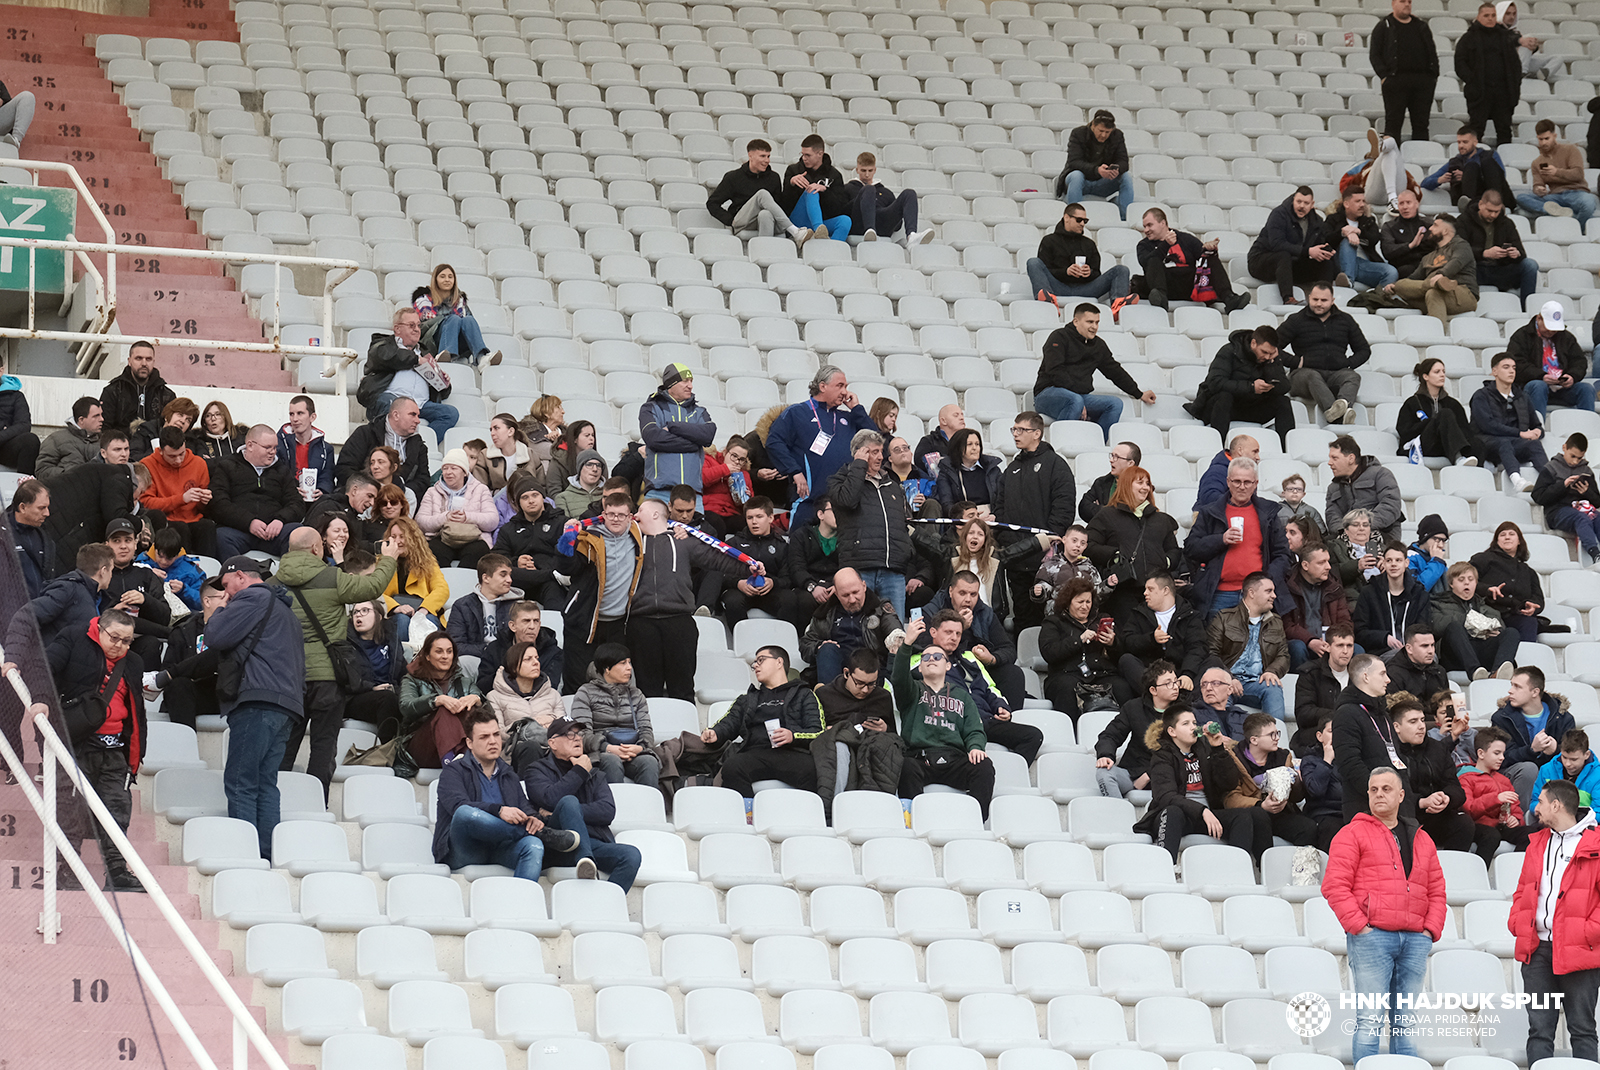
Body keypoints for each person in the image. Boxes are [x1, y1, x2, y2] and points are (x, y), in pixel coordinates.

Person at [1323, 766, 1447, 1061]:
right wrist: (1360, 927)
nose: (1379, 794)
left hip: (1415, 939)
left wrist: (1430, 930)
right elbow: (1334, 886)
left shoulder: (1420, 837)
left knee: (1405, 1023)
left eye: (1386, 789)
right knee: (1370, 1020)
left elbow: (1437, 889)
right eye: (1374, 790)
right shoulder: (1351, 833)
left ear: (1401, 795)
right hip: (1372, 938)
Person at [277, 525, 397, 795]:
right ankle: (317, 804)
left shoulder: (273, 583)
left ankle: (278, 802)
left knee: (284, 745)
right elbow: (374, 586)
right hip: (328, 679)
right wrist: (388, 558)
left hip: (288, 676)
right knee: (323, 746)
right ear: (316, 549)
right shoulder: (332, 577)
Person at [206, 557, 304, 858]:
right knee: (265, 784)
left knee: (241, 781)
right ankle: (266, 855)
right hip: (287, 706)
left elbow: (215, 636)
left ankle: (244, 857)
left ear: (239, 577)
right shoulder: (286, 611)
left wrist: (217, 610)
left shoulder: (251, 598)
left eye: (226, 586)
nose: (226, 594)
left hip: (258, 702)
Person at [46, 609, 147, 891]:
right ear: (100, 630)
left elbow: (136, 710)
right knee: (70, 810)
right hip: (77, 744)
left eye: (127, 641)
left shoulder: (133, 662)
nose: (120, 646)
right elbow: (44, 669)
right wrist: (41, 701)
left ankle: (117, 873)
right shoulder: (74, 640)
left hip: (116, 749)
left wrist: (136, 756)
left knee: (118, 811)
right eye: (114, 638)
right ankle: (67, 870)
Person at [626, 498, 761, 701]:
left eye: (641, 510)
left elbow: (716, 558)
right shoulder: (629, 542)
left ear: (655, 514)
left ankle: (685, 731)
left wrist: (748, 567)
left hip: (679, 621)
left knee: (682, 689)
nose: (635, 515)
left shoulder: (684, 541)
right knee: (647, 691)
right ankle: (650, 732)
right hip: (641, 622)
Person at [431, 709, 581, 882]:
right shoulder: (453, 771)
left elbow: (524, 806)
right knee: (465, 813)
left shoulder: (508, 773)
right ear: (470, 743)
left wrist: (532, 819)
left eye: (495, 735)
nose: (493, 741)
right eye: (484, 737)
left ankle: (522, 904)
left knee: (534, 846)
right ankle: (538, 834)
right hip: (466, 850)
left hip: (501, 847)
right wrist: (499, 810)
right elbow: (456, 806)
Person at [1510, 777, 1600, 1064]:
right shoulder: (1537, 843)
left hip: (1579, 949)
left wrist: (1588, 932)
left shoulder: (1596, 843)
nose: (1536, 807)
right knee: (1539, 1030)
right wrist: (1518, 922)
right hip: (1537, 950)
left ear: (1557, 805)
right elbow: (1523, 888)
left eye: (1541, 801)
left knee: (1582, 1029)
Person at [1134, 707, 1272, 860]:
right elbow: (1166, 796)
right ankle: (1166, 866)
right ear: (1172, 731)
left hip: (1207, 816)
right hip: (1178, 816)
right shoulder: (1162, 756)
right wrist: (1202, 811)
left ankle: (1237, 869)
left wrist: (1218, 749)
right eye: (1186, 724)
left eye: (1194, 722)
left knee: (1245, 816)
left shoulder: (1205, 749)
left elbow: (1229, 784)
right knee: (1173, 812)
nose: (1193, 727)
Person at [523, 716, 645, 889]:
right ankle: (585, 860)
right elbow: (549, 799)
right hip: (559, 846)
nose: (578, 738)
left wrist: (572, 812)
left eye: (579, 734)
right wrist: (579, 771)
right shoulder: (536, 770)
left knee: (632, 855)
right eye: (569, 735)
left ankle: (604, 907)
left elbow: (607, 811)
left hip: (595, 842)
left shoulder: (595, 774)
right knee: (568, 802)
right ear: (552, 743)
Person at [911, 610, 1043, 765]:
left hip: (985, 719)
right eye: (948, 632)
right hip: (952, 723)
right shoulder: (920, 660)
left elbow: (990, 687)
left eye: (958, 634)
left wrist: (1001, 706)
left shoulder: (969, 657)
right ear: (933, 632)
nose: (954, 638)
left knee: (1033, 736)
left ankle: (1009, 776)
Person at [891, 630, 995, 816]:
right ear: (920, 667)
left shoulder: (962, 695)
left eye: (937, 656)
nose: (931, 659)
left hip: (955, 759)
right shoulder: (912, 690)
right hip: (920, 759)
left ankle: (976, 819)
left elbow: (974, 730)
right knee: (905, 766)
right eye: (926, 657)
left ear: (947, 666)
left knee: (984, 766)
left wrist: (976, 747)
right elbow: (898, 678)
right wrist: (907, 644)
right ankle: (913, 819)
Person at [701, 645, 822, 796]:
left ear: (779, 662)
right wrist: (715, 733)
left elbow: (818, 732)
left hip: (793, 754)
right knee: (732, 766)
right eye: (754, 663)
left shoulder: (804, 694)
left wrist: (793, 736)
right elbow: (729, 722)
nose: (755, 665)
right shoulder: (746, 699)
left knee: (814, 770)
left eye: (761, 660)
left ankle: (807, 816)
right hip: (755, 753)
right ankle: (748, 816)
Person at [765, 365, 873, 531]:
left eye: (846, 386)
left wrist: (857, 409)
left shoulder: (848, 417)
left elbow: (877, 442)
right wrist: (794, 471)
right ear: (822, 386)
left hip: (843, 505)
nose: (845, 392)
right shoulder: (797, 412)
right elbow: (774, 442)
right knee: (801, 553)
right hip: (808, 502)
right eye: (840, 385)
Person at [994, 412, 1076, 629]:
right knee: (1023, 617)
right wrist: (1007, 541)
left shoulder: (1055, 464)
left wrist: (1047, 539)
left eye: (1021, 430)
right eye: (1014, 429)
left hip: (1045, 558)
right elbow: (1000, 507)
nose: (1016, 434)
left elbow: (1064, 505)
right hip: (1016, 558)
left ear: (1037, 433)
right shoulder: (1011, 468)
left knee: (1050, 618)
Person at [1185, 457, 1290, 618]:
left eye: (1247, 482)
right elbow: (1191, 548)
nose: (1242, 487)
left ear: (1255, 483)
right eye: (1236, 481)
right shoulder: (1209, 512)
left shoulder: (1268, 513)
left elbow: (1282, 554)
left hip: (1257, 594)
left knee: (1256, 643)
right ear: (1228, 482)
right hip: (1219, 594)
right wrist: (1221, 539)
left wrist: (1267, 580)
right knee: (1218, 643)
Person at [1033, 304, 1155, 438]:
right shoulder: (1058, 337)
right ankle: (1064, 441)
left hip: (1079, 397)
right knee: (1075, 400)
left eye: (1097, 322)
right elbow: (1055, 370)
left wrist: (1138, 393)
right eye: (1090, 322)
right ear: (1076, 321)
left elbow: (1114, 371)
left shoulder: (1098, 345)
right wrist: (1077, 398)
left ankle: (1095, 443)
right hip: (1047, 393)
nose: (1094, 327)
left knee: (1115, 404)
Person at [1084, 465, 1181, 621]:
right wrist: (1114, 556)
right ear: (1126, 484)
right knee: (1126, 639)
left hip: (1155, 593)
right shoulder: (1107, 515)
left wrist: (1166, 562)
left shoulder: (1161, 519)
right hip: (1122, 592)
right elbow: (1088, 545)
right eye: (1140, 483)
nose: (1145, 488)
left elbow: (1174, 550)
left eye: (1148, 484)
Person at [1391, 692, 1480, 854]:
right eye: (1413, 722)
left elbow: (1456, 789)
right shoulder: (1389, 752)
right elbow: (1390, 794)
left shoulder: (1437, 748)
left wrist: (1447, 798)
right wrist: (1422, 802)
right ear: (1396, 727)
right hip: (1405, 816)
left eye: (1422, 720)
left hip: (1437, 814)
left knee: (1464, 824)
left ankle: (1452, 874)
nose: (1421, 726)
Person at [1216, 711, 1317, 846]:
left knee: (1309, 827)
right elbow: (1231, 798)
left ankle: (1298, 865)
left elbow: (1296, 798)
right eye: (1271, 735)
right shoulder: (1234, 758)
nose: (1277, 738)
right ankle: (1262, 864)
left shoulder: (1283, 756)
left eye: (1277, 733)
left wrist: (1297, 782)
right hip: (1250, 813)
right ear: (1254, 740)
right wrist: (1260, 805)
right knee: (1260, 817)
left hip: (1281, 812)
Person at [354, 309, 458, 439]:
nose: (416, 329)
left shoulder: (425, 352)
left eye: (419, 325)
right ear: (397, 329)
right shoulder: (382, 345)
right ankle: (390, 447)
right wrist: (415, 359)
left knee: (450, 414)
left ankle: (421, 444)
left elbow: (442, 393)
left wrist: (444, 383)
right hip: (391, 399)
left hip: (421, 404)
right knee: (389, 405)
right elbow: (386, 356)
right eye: (411, 325)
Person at [1278, 283, 1371, 425]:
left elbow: (1364, 350)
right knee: (1312, 376)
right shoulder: (1296, 320)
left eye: (1324, 300)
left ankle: (1343, 406)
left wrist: (1348, 363)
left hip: (1335, 374)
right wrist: (1295, 362)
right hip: (1302, 375)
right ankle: (1337, 415)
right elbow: (1272, 347)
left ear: (1332, 300)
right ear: (1309, 298)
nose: (1318, 304)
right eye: (1315, 300)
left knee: (1352, 376)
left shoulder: (1345, 320)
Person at [208, 424, 305, 558]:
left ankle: (287, 576)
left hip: (275, 532)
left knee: (298, 533)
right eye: (267, 447)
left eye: (275, 447)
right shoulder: (227, 466)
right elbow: (218, 502)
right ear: (250, 445)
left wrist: (280, 520)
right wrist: (249, 522)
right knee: (220, 537)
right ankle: (239, 576)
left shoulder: (281, 471)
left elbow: (297, 503)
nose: (273, 452)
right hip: (238, 531)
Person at [1187, 327, 1294, 449]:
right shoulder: (1229, 351)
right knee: (1224, 397)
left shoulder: (1270, 359)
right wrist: (1251, 387)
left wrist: (1272, 364)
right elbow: (1215, 382)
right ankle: (1217, 447)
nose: (1267, 356)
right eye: (1264, 352)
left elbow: (1285, 387)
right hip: (1219, 407)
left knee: (1283, 401)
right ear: (1253, 343)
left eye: (1271, 353)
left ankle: (1287, 449)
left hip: (1249, 407)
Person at [569, 643, 658, 789]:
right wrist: (608, 747)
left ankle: (648, 809)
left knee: (649, 762)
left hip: (632, 750)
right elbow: (581, 733)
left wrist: (640, 748)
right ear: (607, 668)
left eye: (629, 662)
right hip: (600, 753)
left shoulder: (636, 694)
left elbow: (646, 729)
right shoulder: (585, 692)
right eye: (623, 663)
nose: (629, 667)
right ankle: (612, 809)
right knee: (611, 761)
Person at [1333, 653, 1411, 819]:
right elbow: (1349, 764)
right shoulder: (1346, 713)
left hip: (1396, 806)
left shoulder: (1382, 713)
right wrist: (1379, 793)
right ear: (1366, 677)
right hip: (1366, 807)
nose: (1388, 680)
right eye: (1382, 674)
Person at [1039, 577, 1126, 723]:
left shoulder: (1102, 619)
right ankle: (1069, 733)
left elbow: (1121, 654)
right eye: (1080, 602)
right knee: (1067, 688)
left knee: (1122, 687)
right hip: (1067, 674)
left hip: (1101, 673)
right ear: (1068, 602)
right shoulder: (1053, 622)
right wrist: (1078, 640)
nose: (1085, 606)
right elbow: (1049, 652)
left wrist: (1112, 643)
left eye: (1088, 602)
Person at [1206, 572, 1288, 725]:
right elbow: (1211, 654)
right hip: (1226, 681)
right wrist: (1229, 678)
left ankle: (1276, 739)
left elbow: (1283, 655)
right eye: (1269, 591)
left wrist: (1272, 671)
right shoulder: (1224, 617)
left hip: (1255, 684)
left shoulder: (1276, 621)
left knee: (1273, 687)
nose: (1274, 596)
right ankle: (1220, 743)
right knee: (1220, 690)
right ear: (1251, 593)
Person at [801, 566, 906, 685]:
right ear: (836, 592)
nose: (852, 599)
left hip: (872, 671)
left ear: (864, 586)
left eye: (855, 592)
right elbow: (805, 644)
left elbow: (894, 628)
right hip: (837, 673)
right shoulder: (824, 614)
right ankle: (830, 698)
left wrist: (896, 638)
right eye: (845, 595)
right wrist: (818, 646)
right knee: (827, 649)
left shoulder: (880, 609)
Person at [1492, 665, 1576, 809]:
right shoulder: (1502, 718)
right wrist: (1531, 750)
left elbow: (1575, 753)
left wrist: (1556, 750)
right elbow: (1502, 758)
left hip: (1552, 773)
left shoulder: (1562, 718)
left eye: (1517, 687)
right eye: (1511, 685)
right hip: (1515, 773)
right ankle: (1524, 821)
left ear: (1535, 692)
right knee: (1529, 769)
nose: (1510, 691)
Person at [707, 138, 818, 246]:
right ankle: (794, 231)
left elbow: (780, 205)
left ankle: (764, 250)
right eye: (762, 156)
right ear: (750, 155)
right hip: (742, 221)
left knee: (765, 213)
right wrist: (730, 220)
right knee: (762, 193)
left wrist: (791, 184)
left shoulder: (774, 177)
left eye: (768, 156)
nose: (767, 160)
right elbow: (712, 203)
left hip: (766, 220)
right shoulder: (733, 177)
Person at [1135, 207, 1248, 311]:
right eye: (1145, 226)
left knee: (1210, 257)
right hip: (1161, 284)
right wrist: (1165, 245)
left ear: (1162, 223)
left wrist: (1210, 249)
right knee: (1152, 258)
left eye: (1149, 225)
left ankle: (1229, 298)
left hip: (1188, 284)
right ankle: (1160, 299)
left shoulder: (1185, 239)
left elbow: (1204, 259)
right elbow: (1146, 263)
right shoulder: (1143, 245)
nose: (1146, 230)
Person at [1094, 659, 1178, 799]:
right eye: (1168, 683)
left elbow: (1184, 752)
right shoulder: (1134, 707)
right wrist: (1105, 755)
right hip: (1133, 771)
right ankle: (1121, 816)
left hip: (1168, 777)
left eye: (1176, 681)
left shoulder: (1183, 712)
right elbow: (1110, 735)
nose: (1175, 687)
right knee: (1104, 774)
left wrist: (1150, 775)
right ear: (1153, 690)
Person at [400, 631, 484, 769]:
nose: (445, 656)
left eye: (449, 651)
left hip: (463, 746)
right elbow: (405, 707)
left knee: (472, 709)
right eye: (439, 652)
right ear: (427, 656)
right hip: (421, 745)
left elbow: (488, 716)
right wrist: (436, 700)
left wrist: (477, 699)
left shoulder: (465, 682)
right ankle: (452, 767)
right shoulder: (412, 680)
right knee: (444, 711)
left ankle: (463, 761)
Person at [1379, 213, 1480, 326]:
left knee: (1433, 293)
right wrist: (1394, 285)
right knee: (1402, 285)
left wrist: (1441, 274)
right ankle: (1436, 284)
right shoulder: (1428, 257)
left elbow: (1456, 262)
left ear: (1446, 231)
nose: (1430, 228)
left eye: (1435, 225)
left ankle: (1436, 334)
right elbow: (1413, 278)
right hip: (1431, 291)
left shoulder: (1461, 245)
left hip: (1463, 294)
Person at [1027, 204, 1134, 308]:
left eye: (1085, 221)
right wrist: (1066, 271)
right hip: (1057, 286)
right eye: (1079, 220)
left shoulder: (1089, 243)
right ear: (1066, 218)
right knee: (1033, 262)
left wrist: (1089, 272)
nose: (1082, 223)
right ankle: (1046, 299)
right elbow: (1044, 271)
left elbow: (1097, 273)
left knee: (1121, 269)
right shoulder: (1049, 241)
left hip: (1086, 288)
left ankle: (1118, 305)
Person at [640, 363, 716, 507]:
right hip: (658, 492)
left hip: (692, 495)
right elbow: (653, 438)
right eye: (685, 381)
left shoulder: (699, 411)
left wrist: (672, 426)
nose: (690, 386)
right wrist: (694, 443)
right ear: (671, 384)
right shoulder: (650, 407)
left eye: (691, 381)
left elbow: (708, 436)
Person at [1117, 572, 1206, 696]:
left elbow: (1197, 647)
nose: (1145, 593)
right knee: (1126, 660)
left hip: (1180, 673)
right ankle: (1157, 698)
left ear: (1165, 590)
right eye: (1145, 589)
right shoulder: (1139, 613)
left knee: (1213, 661)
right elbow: (1127, 641)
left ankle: (1181, 699)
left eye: (1150, 589)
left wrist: (1187, 674)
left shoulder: (1190, 615)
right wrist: (1151, 639)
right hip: (1151, 674)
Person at [1471, 351, 1547, 492]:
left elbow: (1536, 425)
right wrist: (1520, 434)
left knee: (1534, 445)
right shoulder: (1481, 396)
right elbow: (1487, 426)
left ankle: (1550, 480)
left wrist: (1538, 431)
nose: (1511, 371)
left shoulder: (1522, 397)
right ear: (1494, 371)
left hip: (1515, 443)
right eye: (1506, 367)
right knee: (1504, 443)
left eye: (1513, 368)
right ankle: (1517, 480)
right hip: (1488, 444)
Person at [1433, 561, 1523, 681]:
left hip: (1483, 654)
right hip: (1456, 656)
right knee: (1454, 627)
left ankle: (1497, 673)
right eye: (1461, 579)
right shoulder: (1438, 604)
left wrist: (1496, 631)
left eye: (1471, 579)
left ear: (1476, 583)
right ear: (1451, 583)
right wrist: (1470, 621)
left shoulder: (1487, 608)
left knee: (1512, 632)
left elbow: (1501, 629)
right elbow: (1436, 627)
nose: (1467, 583)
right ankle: (1474, 672)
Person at [103, 517, 171, 670]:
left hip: (140, 643)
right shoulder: (98, 575)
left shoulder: (146, 574)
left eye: (128, 540)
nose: (123, 546)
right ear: (107, 545)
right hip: (106, 642)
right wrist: (114, 610)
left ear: (135, 544)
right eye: (116, 541)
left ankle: (145, 691)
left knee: (151, 643)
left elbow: (165, 617)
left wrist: (145, 600)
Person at [1248, 187, 1338, 303]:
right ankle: (1288, 298)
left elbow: (1319, 242)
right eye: (1299, 202)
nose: (1301, 206)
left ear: (1312, 204)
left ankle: (1325, 299)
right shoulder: (1279, 214)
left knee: (1326, 262)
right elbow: (1276, 244)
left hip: (1292, 264)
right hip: (1261, 261)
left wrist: (1326, 251)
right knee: (1283, 255)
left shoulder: (1317, 221)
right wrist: (1308, 252)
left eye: (1306, 203)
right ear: (1293, 200)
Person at [483, 639, 564, 767]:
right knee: (531, 747)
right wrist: (530, 725)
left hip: (552, 748)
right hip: (516, 752)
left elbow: (564, 726)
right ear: (513, 666)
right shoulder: (495, 696)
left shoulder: (552, 694)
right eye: (528, 659)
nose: (536, 663)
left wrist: (551, 721)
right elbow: (498, 734)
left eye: (537, 658)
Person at [141, 425, 217, 558]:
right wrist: (181, 499)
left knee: (207, 526)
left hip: (194, 518)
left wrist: (204, 501)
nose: (178, 460)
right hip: (167, 520)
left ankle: (209, 574)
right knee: (180, 528)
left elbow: (203, 508)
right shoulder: (147, 465)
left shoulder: (198, 463)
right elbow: (146, 503)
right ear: (160, 451)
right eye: (172, 456)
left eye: (181, 454)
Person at [1511, 301, 1594, 421]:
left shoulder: (1566, 337)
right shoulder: (1521, 336)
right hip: (1532, 386)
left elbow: (1579, 361)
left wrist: (1572, 376)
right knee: (1538, 386)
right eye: (1549, 327)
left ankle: (1588, 428)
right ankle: (1536, 427)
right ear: (1539, 318)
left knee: (1586, 389)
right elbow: (1517, 363)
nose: (1551, 332)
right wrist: (1541, 376)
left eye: (1555, 329)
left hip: (1562, 388)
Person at [1371, 0, 1440, 144]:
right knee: (1393, 124)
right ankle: (1391, 162)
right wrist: (1385, 76)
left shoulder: (1421, 26)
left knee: (1421, 125)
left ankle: (1420, 160)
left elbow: (1432, 52)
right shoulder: (1384, 26)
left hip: (1422, 82)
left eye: (1409, 1)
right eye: (1402, 1)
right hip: (1395, 81)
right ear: (1393, 4)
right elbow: (1375, 54)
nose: (1407, 4)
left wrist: (1432, 76)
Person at [493, 476, 566, 609]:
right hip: (519, 580)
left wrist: (539, 565)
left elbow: (565, 555)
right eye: (525, 497)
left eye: (535, 495)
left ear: (543, 497)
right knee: (504, 574)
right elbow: (497, 558)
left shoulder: (561, 523)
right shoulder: (508, 529)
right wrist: (516, 561)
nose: (531, 501)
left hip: (549, 583)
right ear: (518, 503)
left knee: (556, 592)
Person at [417, 448, 497, 569]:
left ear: (465, 472)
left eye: (454, 468)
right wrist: (445, 517)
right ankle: (443, 586)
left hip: (473, 538)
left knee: (478, 551)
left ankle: (464, 586)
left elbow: (492, 520)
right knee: (433, 550)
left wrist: (467, 517)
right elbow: (421, 522)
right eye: (445, 468)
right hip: (441, 537)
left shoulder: (481, 489)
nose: (448, 472)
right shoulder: (432, 492)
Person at [1397, 357, 1486, 466]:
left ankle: (1480, 474)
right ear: (1425, 376)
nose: (1442, 375)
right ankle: (1458, 458)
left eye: (1443, 371)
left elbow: (1465, 431)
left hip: (1445, 446)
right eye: (1437, 372)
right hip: (1424, 445)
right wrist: (1431, 422)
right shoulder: (1412, 403)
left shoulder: (1453, 404)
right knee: (1445, 414)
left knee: (1478, 443)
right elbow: (1404, 432)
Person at [1456, 1, 1521, 146]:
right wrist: (1473, 81)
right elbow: (1460, 64)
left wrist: (1515, 85)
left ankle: (1505, 162)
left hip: (1503, 92)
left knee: (1504, 130)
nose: (1490, 18)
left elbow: (1515, 65)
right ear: (1479, 17)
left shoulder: (1505, 36)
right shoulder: (1468, 38)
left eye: (1493, 15)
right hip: (1479, 92)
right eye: (1486, 15)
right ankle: (1472, 164)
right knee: (1476, 129)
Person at [99, 341, 176, 463]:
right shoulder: (113, 391)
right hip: (121, 453)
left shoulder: (166, 394)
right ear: (129, 361)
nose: (144, 363)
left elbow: (172, 430)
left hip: (156, 454)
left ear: (154, 362)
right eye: (139, 358)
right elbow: (104, 428)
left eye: (148, 359)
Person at [1461, 725, 1534, 853]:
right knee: (1491, 836)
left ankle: (1516, 870)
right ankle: (1480, 872)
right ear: (1481, 753)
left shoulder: (1503, 780)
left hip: (1502, 826)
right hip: (1479, 827)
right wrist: (1495, 799)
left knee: (1531, 833)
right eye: (1497, 753)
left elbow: (1515, 807)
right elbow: (1468, 809)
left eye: (1503, 753)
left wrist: (1515, 819)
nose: (1502, 758)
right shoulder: (1466, 777)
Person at [1462, 190, 1539, 307]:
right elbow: (1459, 250)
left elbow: (1521, 252)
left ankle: (1527, 308)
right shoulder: (1464, 221)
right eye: (1489, 211)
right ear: (1481, 204)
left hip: (1500, 269)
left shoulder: (1506, 223)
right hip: (1475, 269)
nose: (1493, 215)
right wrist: (1484, 253)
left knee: (1530, 265)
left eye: (1496, 212)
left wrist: (1516, 254)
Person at [412, 264, 498, 367]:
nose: (447, 280)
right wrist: (447, 319)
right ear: (435, 279)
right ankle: (447, 355)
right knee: (453, 319)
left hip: (458, 342)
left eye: (450, 277)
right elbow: (424, 326)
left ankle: (481, 357)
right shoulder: (424, 299)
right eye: (442, 276)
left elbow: (469, 328)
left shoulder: (460, 300)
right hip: (432, 342)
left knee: (469, 320)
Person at [1469, 521, 1544, 640]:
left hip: (1516, 616)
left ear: (1519, 541)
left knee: (1529, 622)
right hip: (1488, 614)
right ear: (1497, 541)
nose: (1507, 537)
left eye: (1511, 534)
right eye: (1502, 534)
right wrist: (1487, 589)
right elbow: (1464, 582)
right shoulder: (1483, 559)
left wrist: (1532, 606)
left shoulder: (1528, 571)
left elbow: (1538, 598)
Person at [1282, 546, 1352, 671]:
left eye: (1328, 561)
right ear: (1305, 565)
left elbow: (1345, 622)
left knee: (1356, 649)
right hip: (1303, 642)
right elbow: (1286, 625)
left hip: (1330, 642)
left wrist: (1334, 642)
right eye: (1321, 563)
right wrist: (1310, 640)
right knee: (1297, 648)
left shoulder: (1334, 586)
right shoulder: (1288, 587)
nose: (1328, 567)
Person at [1325, 436, 1405, 544]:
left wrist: (1363, 527)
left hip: (1382, 537)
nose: (1329, 463)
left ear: (1351, 459)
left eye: (1334, 458)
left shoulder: (1381, 474)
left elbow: (1391, 505)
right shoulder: (1333, 487)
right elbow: (1332, 516)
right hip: (1347, 539)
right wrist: (1346, 532)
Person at [1055, 110, 1133, 219]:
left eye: (1107, 132)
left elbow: (1124, 161)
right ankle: (1074, 217)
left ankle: (1125, 218)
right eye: (1101, 131)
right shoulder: (1078, 134)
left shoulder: (1117, 136)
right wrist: (1097, 170)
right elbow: (1073, 162)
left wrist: (1115, 170)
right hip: (1080, 181)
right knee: (1077, 175)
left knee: (1126, 177)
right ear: (1093, 125)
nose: (1103, 135)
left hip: (1103, 181)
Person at [1356, 544, 1433, 654]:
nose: (1393, 564)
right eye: (1389, 560)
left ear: (1406, 563)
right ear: (1384, 564)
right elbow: (1359, 632)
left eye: (1398, 560)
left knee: (1431, 657)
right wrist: (1384, 638)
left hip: (1413, 651)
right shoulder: (1369, 592)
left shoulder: (1420, 594)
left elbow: (1424, 629)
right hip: (1381, 652)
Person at [1516, 119, 1596, 223]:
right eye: (1540, 139)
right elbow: (1537, 184)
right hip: (1554, 197)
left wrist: (1557, 172)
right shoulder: (1536, 162)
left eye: (1547, 138)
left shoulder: (1570, 149)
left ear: (1555, 136)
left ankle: (1576, 228)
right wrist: (1538, 189)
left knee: (1589, 203)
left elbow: (1578, 174)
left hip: (1577, 193)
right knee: (1521, 197)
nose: (1544, 142)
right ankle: (1552, 211)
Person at [844, 151, 931, 246]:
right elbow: (844, 213)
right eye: (863, 171)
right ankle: (870, 230)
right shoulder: (848, 188)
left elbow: (897, 225)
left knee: (909, 193)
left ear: (875, 170)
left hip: (882, 223)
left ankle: (911, 236)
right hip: (859, 223)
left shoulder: (886, 192)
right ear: (857, 170)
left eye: (870, 171)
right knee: (868, 189)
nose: (867, 175)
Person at [345, 599, 404, 737]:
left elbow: (403, 672)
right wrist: (371, 687)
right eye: (355, 612)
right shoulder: (346, 644)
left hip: (389, 694)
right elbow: (344, 679)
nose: (359, 615)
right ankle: (388, 751)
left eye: (365, 610)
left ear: (378, 616)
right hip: (356, 698)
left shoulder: (391, 641)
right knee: (388, 699)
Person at [1293, 623, 1357, 748]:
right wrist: (1339, 715)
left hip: (1353, 736)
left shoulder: (1359, 673)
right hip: (1316, 739)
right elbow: (1303, 713)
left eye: (1349, 646)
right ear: (1327, 647)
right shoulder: (1310, 673)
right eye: (1340, 645)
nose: (1345, 651)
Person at [779, 134, 852, 242]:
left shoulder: (835, 175)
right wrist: (791, 183)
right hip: (797, 223)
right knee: (811, 190)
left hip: (823, 220)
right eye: (802, 154)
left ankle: (833, 251)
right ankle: (819, 229)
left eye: (808, 155)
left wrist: (825, 191)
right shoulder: (793, 170)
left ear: (820, 154)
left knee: (845, 221)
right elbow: (784, 205)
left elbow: (838, 208)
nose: (804, 158)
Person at [1423, 125, 1514, 209]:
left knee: (1482, 164)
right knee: (1471, 166)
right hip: (1471, 198)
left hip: (1493, 194)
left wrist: (1467, 177)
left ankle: (1494, 203)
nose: (1461, 146)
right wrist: (1439, 180)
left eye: (1465, 142)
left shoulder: (1490, 156)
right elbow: (1424, 183)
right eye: (1459, 142)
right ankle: (1469, 204)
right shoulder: (1455, 162)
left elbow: (1499, 178)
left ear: (1475, 142)